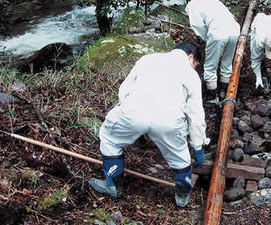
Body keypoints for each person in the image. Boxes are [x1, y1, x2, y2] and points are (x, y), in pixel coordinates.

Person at [88, 41, 207, 208]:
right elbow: (195, 114)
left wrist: (134, 122)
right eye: (195, 65)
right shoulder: (191, 75)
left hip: (135, 110)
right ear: (190, 57)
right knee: (180, 158)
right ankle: (182, 198)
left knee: (109, 139)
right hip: (170, 119)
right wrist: (198, 146)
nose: (194, 68)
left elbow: (124, 90)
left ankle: (113, 186)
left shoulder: (147, 59)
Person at [185, 0, 240, 105]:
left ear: (188, 0)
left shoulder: (192, 4)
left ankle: (212, 96)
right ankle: (223, 91)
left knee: (210, 66)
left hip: (218, 32)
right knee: (227, 61)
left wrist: (208, 38)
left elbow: (198, 26)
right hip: (234, 29)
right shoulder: (212, 0)